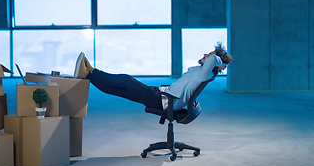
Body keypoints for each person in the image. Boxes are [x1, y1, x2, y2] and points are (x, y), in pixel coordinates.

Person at [74, 42, 233, 111]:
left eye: (209, 55)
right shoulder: (200, 72)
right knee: (119, 90)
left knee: (125, 79)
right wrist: (216, 58)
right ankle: (88, 76)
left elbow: (213, 60)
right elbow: (210, 60)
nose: (205, 55)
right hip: (163, 94)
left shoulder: (206, 75)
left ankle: (93, 71)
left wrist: (220, 58)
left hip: (164, 100)